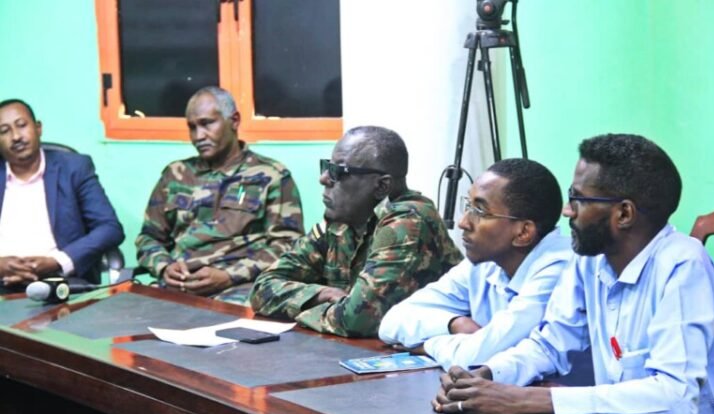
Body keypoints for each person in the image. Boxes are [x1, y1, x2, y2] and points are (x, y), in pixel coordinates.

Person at [432, 134, 714, 414]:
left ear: (623, 214)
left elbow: (675, 394)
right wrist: (488, 375)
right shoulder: (590, 258)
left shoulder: (682, 264)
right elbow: (550, 344)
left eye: (578, 199)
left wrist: (528, 399)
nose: (567, 211)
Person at [250, 126, 463, 337]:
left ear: (381, 186)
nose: (324, 178)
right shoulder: (340, 223)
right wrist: (320, 294)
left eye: (339, 171)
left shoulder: (408, 222)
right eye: (327, 166)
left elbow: (357, 320)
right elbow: (262, 289)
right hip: (358, 349)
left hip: (427, 352)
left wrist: (301, 310)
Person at [378, 158, 572, 369]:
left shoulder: (561, 268)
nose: (463, 223)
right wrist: (454, 324)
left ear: (523, 232)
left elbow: (475, 358)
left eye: (479, 211)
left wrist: (428, 346)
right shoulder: (486, 261)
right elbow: (390, 324)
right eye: (468, 206)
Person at [135, 87, 304, 298]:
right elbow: (149, 238)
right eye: (192, 127)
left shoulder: (271, 175)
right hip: (181, 286)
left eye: (207, 123)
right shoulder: (175, 175)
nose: (199, 136)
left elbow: (288, 245)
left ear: (234, 121)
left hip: (240, 287)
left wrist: (230, 275)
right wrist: (164, 267)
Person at [0, 99, 124, 286]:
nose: (16, 136)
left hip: (61, 282)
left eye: (22, 125)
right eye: (4, 131)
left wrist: (58, 261)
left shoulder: (74, 168)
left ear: (38, 128)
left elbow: (109, 228)